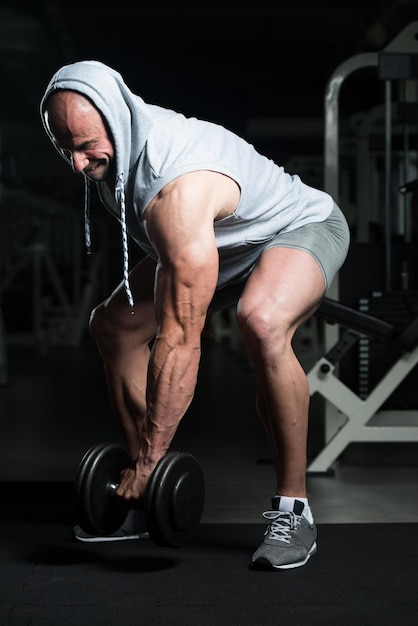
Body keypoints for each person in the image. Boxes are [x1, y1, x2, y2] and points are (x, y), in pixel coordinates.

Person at [40, 60, 350, 570]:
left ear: (118, 119)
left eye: (86, 146)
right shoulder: (114, 150)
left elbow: (182, 338)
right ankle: (138, 497)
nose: (76, 164)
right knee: (113, 325)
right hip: (218, 243)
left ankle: (294, 509)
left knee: (262, 321)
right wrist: (144, 472)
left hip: (296, 228)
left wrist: (148, 459)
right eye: (64, 148)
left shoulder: (173, 188)